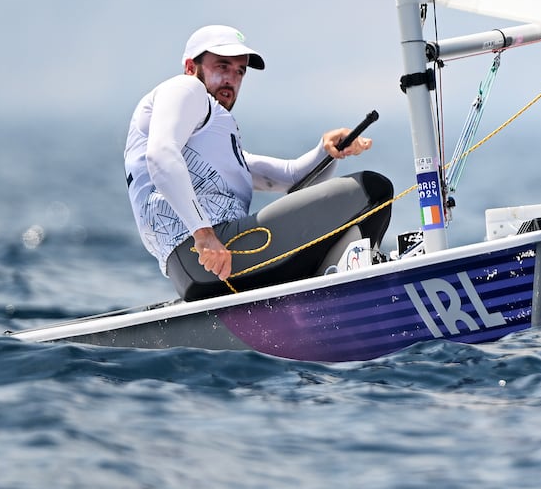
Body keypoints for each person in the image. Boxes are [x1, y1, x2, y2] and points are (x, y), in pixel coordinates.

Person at [124, 24, 389, 300]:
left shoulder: (210, 141)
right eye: (222, 66)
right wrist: (204, 235)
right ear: (191, 67)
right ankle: (358, 285)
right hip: (210, 254)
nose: (231, 79)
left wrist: (327, 149)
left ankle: (332, 283)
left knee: (355, 198)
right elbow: (161, 155)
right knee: (372, 189)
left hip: (204, 267)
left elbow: (292, 179)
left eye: (239, 71)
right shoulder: (185, 88)